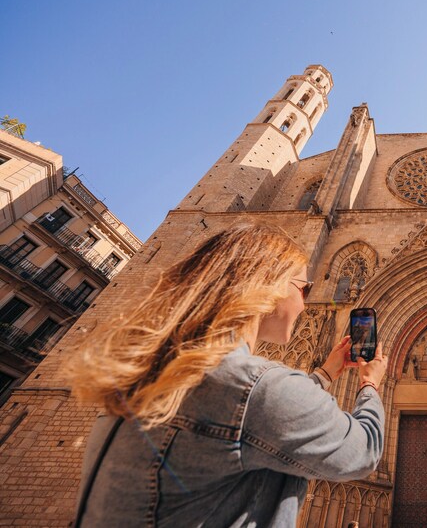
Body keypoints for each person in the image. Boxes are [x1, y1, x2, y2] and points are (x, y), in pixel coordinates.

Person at [67, 224, 388, 527]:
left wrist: (326, 372)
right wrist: (370, 384)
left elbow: (257, 416)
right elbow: (364, 452)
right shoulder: (255, 388)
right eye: (304, 289)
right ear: (270, 284)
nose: (305, 304)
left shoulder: (154, 373)